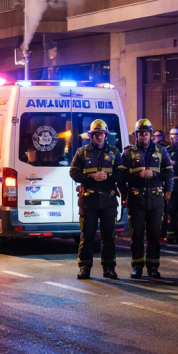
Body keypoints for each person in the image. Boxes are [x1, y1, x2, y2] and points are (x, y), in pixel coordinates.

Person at [69, 119, 123, 280]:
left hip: (109, 201)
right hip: (88, 201)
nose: (99, 137)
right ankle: (84, 267)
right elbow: (73, 172)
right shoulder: (82, 152)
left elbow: (122, 174)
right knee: (87, 236)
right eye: (96, 134)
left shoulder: (114, 153)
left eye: (101, 134)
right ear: (91, 135)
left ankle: (109, 268)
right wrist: (90, 177)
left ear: (106, 134)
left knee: (108, 237)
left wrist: (108, 176)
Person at [122, 119, 173, 278]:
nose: (143, 137)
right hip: (136, 200)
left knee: (154, 235)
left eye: (146, 134)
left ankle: (153, 267)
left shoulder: (161, 151)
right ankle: (137, 266)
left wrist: (165, 185)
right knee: (136, 235)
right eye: (140, 134)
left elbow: (169, 172)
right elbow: (121, 175)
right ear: (136, 135)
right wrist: (136, 177)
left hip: (156, 200)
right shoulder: (128, 153)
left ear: (151, 135)